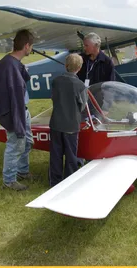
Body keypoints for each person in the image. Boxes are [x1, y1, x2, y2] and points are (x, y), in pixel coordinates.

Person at [0, 29, 34, 191]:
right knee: (15, 144)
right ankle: (9, 181)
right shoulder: (10, 65)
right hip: (14, 111)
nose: (31, 49)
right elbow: (14, 98)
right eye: (31, 46)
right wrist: (17, 123)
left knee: (28, 142)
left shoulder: (12, 62)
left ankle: (22, 171)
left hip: (21, 110)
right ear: (26, 46)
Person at [76, 32, 116, 166]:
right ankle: (78, 159)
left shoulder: (107, 62)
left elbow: (110, 87)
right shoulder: (81, 59)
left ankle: (93, 160)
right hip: (81, 103)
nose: (84, 48)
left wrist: (105, 108)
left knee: (95, 132)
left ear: (96, 46)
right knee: (80, 131)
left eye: (86, 45)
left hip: (97, 104)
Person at [49, 53, 87, 187]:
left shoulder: (56, 81)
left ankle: (54, 181)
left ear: (66, 65)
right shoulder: (80, 85)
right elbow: (82, 105)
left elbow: (53, 98)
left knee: (55, 154)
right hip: (71, 125)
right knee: (71, 156)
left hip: (56, 123)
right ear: (79, 67)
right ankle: (69, 182)